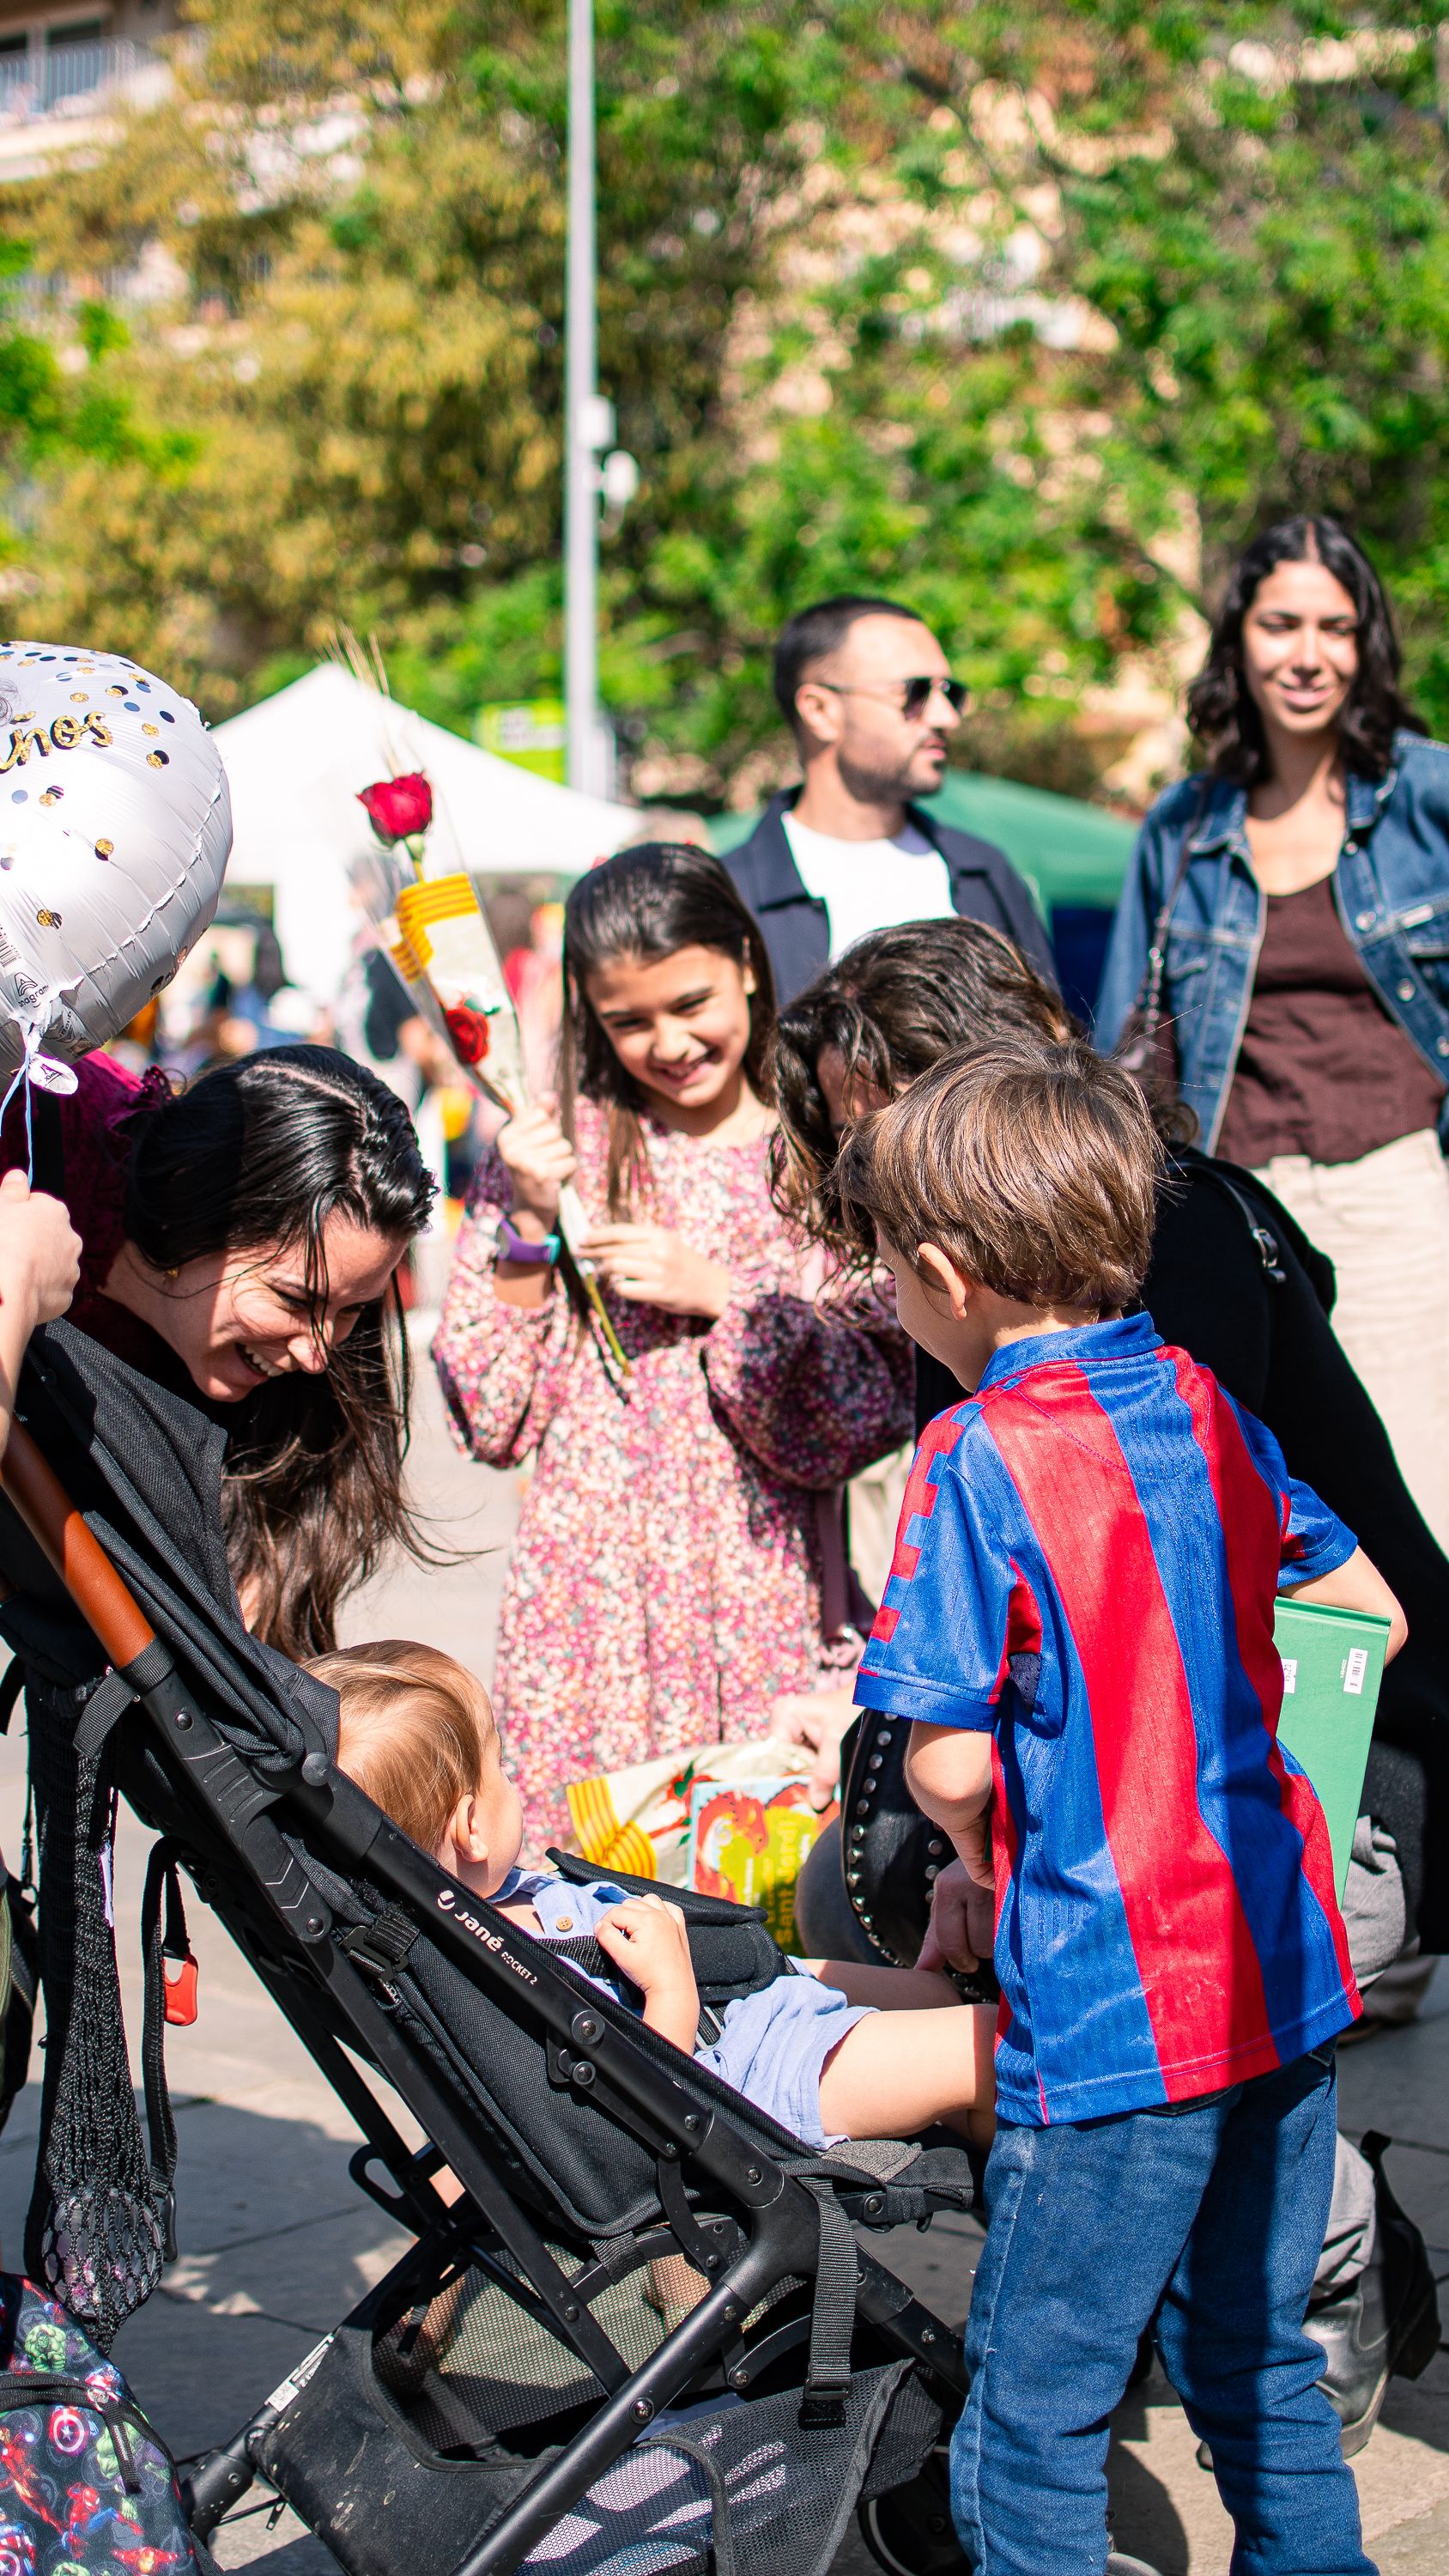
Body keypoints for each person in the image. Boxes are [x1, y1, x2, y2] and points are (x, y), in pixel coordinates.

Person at [770, 916, 1446, 2447]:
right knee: (863, 1884)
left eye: (877, 1115)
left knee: (1145, 1968)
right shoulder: (1092, 1254)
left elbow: (1211, 1643)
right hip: (1216, 1763)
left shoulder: (1137, 1273)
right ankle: (1167, 2242)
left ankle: (1313, 2263)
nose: (865, 1173)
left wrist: (986, 1840)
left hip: (1333, 1780)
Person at [432, 842, 912, 1850]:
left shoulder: (816, 1144)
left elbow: (868, 1406)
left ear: (745, 960)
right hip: (588, 1594)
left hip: (766, 1585)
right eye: (629, 1021)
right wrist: (525, 1221)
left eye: (690, 1002)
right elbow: (491, 1410)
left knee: (763, 1882)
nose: (668, 1042)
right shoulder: (559, 1145)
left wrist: (723, 1298)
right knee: (592, 1901)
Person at [1096, 515, 1449, 1546]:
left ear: (1365, 644)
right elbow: (1132, 1039)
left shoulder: (1426, 797)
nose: (1306, 655)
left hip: (1392, 1191)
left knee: (1412, 1495)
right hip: (1238, 1209)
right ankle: (1287, 1715)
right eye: (1279, 624)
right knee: (1257, 1499)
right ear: (1237, 642)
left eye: (1334, 628)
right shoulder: (1183, 823)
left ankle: (1418, 1713)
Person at [314, 1635, 996, 2154]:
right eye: (497, 1766)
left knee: (944, 1998)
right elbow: (635, 2106)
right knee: (1006, 2048)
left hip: (756, 2002)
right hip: (758, 2070)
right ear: (470, 1828)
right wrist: (670, 1991)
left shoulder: (460, 1922)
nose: (509, 1777)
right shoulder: (505, 1963)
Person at [0, 1044, 436, 1656]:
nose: (317, 1355)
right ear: (194, 1207)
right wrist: (13, 1287)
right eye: (293, 1299)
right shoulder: (29, 1120)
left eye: (350, 1311)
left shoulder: (307, 1337)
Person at [719, 595, 1054, 1005]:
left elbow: (1054, 1045)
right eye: (914, 693)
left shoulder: (983, 874)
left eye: (950, 692)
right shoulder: (733, 895)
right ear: (820, 710)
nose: (946, 717)